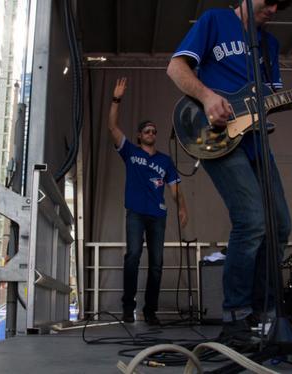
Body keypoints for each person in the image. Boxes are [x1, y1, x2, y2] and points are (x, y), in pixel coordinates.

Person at [167, 0, 292, 342]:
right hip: (214, 136)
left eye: (283, 4)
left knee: (279, 224)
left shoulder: (269, 44)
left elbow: (271, 100)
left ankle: (264, 312)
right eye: (271, 0)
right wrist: (207, 98)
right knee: (251, 220)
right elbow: (176, 68)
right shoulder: (215, 20)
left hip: (255, 140)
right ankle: (236, 315)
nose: (275, 8)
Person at [108, 77, 189, 325]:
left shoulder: (165, 161)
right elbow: (112, 126)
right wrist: (116, 99)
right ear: (139, 135)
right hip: (135, 212)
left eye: (154, 131)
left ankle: (150, 311)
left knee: (157, 264)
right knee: (132, 255)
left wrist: (182, 208)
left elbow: (175, 188)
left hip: (158, 216)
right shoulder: (130, 151)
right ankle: (127, 307)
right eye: (147, 131)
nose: (151, 133)